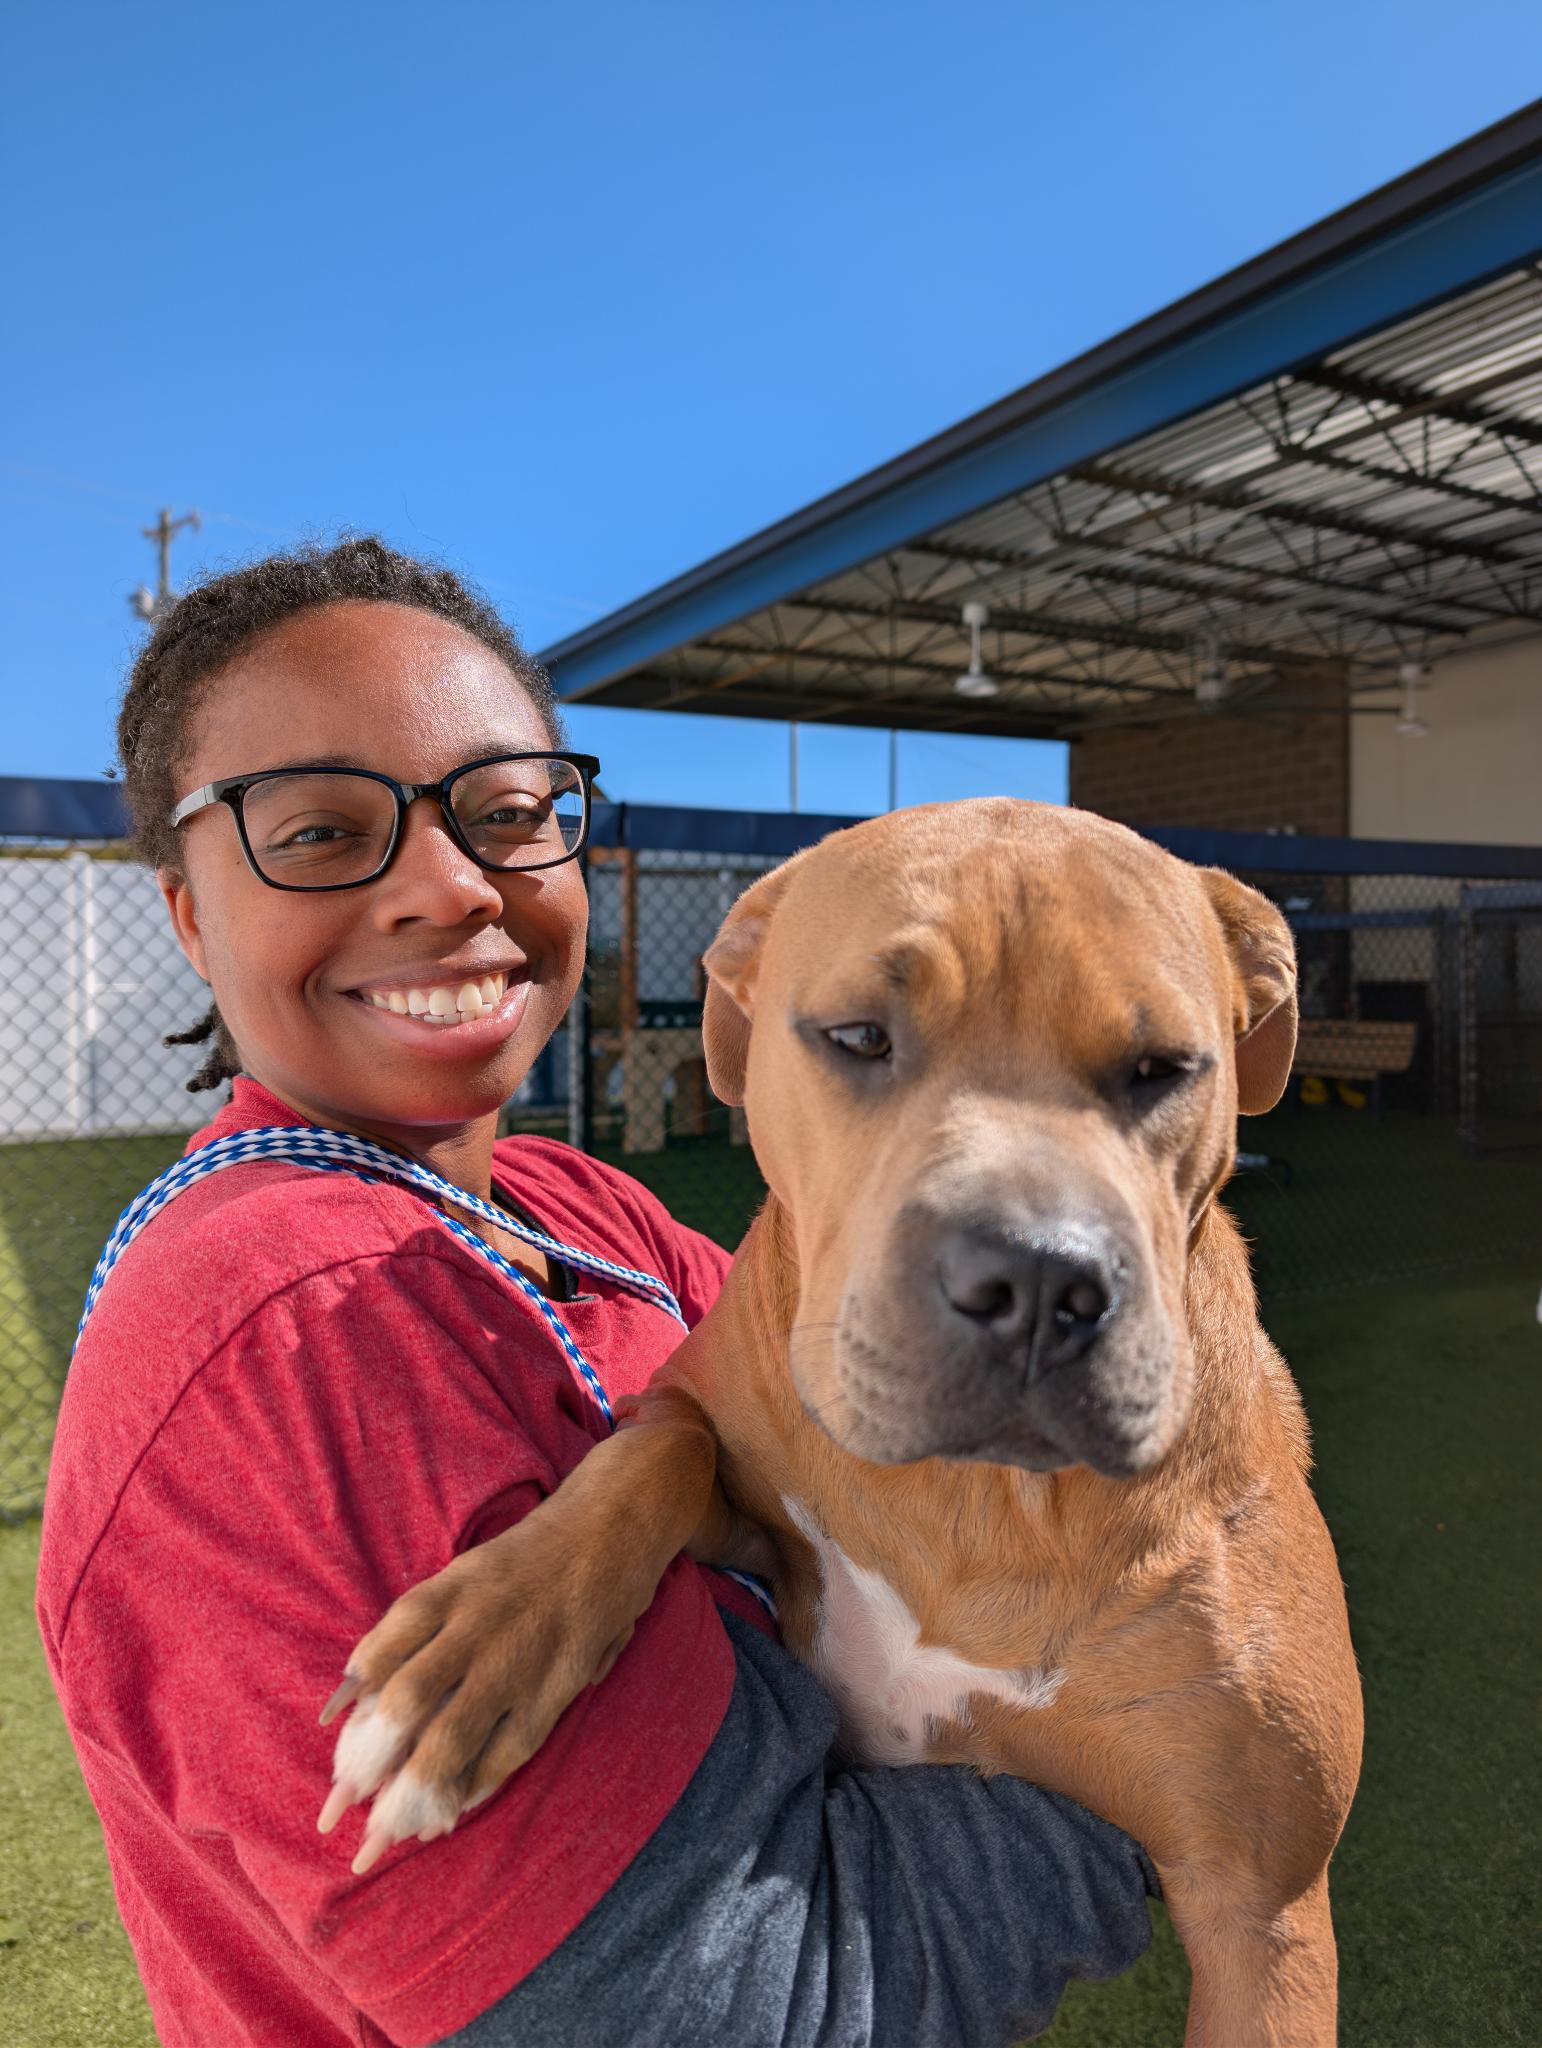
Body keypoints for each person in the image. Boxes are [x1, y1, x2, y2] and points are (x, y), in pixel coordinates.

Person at [37, 538, 1158, 2048]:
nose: (450, 888)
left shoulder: (579, 1203)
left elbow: (823, 1440)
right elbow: (771, 2003)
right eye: (316, 832)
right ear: (186, 912)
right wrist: (1167, 1788)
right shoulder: (286, 1329)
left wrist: (664, 1477)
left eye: (508, 813)